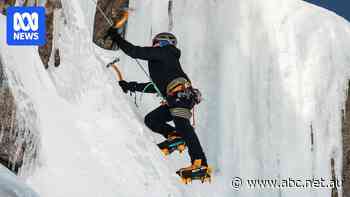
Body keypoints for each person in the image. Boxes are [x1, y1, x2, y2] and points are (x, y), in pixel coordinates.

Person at [106, 28, 209, 174]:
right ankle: (175, 136)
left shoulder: (166, 51)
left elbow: (134, 51)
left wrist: (116, 37)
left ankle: (200, 163)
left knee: (183, 124)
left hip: (181, 96)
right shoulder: (165, 64)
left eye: (155, 43)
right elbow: (153, 88)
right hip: (177, 97)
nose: (153, 46)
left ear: (163, 42)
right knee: (151, 120)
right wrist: (129, 86)